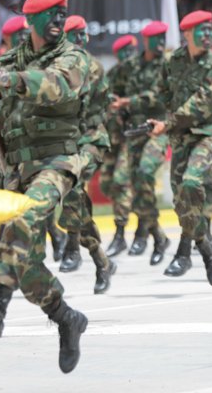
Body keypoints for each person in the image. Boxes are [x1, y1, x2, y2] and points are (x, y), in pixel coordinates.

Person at [0, 0, 89, 373]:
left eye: (62, 13)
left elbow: (54, 86)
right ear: (30, 19)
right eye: (50, 14)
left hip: (56, 162)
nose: (58, 20)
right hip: (17, 171)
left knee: (22, 222)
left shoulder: (73, 56)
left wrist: (7, 79)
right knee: (24, 262)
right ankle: (66, 318)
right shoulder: (8, 60)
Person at [149, 10, 212, 285]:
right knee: (182, 201)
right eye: (201, 30)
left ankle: (191, 253)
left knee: (192, 184)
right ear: (187, 34)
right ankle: (204, 246)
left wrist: (168, 122)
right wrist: (162, 121)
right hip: (181, 137)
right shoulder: (174, 61)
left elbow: (204, 101)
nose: (208, 35)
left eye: (209, 29)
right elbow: (163, 91)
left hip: (207, 134)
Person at [56, 15, 119, 294]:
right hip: (65, 143)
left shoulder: (90, 66)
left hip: (89, 139)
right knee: (75, 195)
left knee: (73, 187)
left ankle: (71, 243)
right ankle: (101, 261)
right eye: (74, 36)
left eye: (82, 35)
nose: (79, 41)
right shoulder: (56, 65)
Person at [110, 21, 170, 266]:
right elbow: (116, 87)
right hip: (134, 130)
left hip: (158, 127)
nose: (162, 43)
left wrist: (126, 102)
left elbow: (158, 95)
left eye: (164, 38)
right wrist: (116, 104)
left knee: (145, 172)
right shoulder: (131, 66)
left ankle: (144, 234)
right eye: (157, 39)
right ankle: (156, 234)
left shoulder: (167, 66)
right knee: (132, 186)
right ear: (147, 41)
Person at [102, 35, 138, 256]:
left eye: (130, 50)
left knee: (121, 180)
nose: (127, 56)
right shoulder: (113, 75)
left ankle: (120, 233)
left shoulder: (141, 73)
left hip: (135, 136)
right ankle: (149, 228)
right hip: (115, 135)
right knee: (107, 183)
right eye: (123, 52)